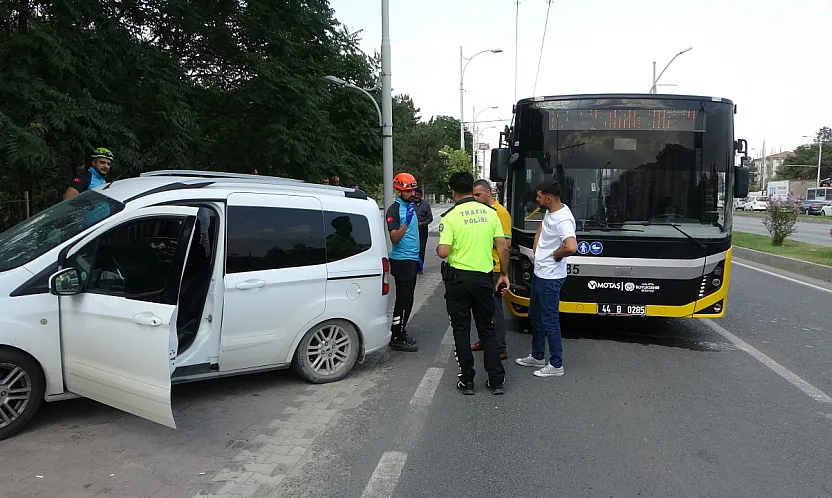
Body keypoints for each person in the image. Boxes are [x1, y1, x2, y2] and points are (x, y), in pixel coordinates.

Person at [437, 171, 510, 395]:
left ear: (452, 191)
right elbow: (503, 247)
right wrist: (504, 275)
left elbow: (443, 252)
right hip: (484, 280)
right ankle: (496, 380)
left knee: (461, 331)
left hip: (458, 281)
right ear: (472, 188)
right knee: (487, 329)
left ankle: (467, 381)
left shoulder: (450, 216)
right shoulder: (491, 213)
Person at [515, 180, 578, 378]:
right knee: (534, 315)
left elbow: (571, 246)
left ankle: (556, 364)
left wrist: (554, 255)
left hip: (551, 277)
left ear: (548, 198)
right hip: (540, 272)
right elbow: (543, 228)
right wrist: (536, 247)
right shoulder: (553, 211)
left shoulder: (563, 220)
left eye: (539, 196)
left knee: (550, 320)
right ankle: (537, 355)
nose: (537, 198)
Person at [470, 179, 511, 360]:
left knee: (495, 309)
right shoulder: (480, 212)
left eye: (478, 194)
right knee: (481, 308)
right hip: (481, 266)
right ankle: (484, 339)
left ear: (489, 192)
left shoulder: (500, 212)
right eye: (473, 195)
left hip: (494, 267)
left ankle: (500, 347)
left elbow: (507, 243)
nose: (475, 198)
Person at [385, 172, 422, 352]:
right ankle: (397, 336)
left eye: (414, 190)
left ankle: (401, 330)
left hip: (411, 259)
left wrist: (417, 256)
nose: (413, 194)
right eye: (409, 191)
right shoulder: (394, 210)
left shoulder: (410, 207)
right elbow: (394, 238)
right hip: (402, 261)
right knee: (403, 301)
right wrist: (405, 223)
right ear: (399, 191)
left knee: (409, 300)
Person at [412, 187, 433, 273]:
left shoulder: (426, 205)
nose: (416, 196)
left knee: (421, 248)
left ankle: (419, 268)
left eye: (418, 195)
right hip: (411, 230)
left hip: (422, 230)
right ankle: (412, 267)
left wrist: (422, 223)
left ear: (421, 195)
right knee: (412, 248)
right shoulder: (409, 204)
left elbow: (430, 218)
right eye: (415, 194)